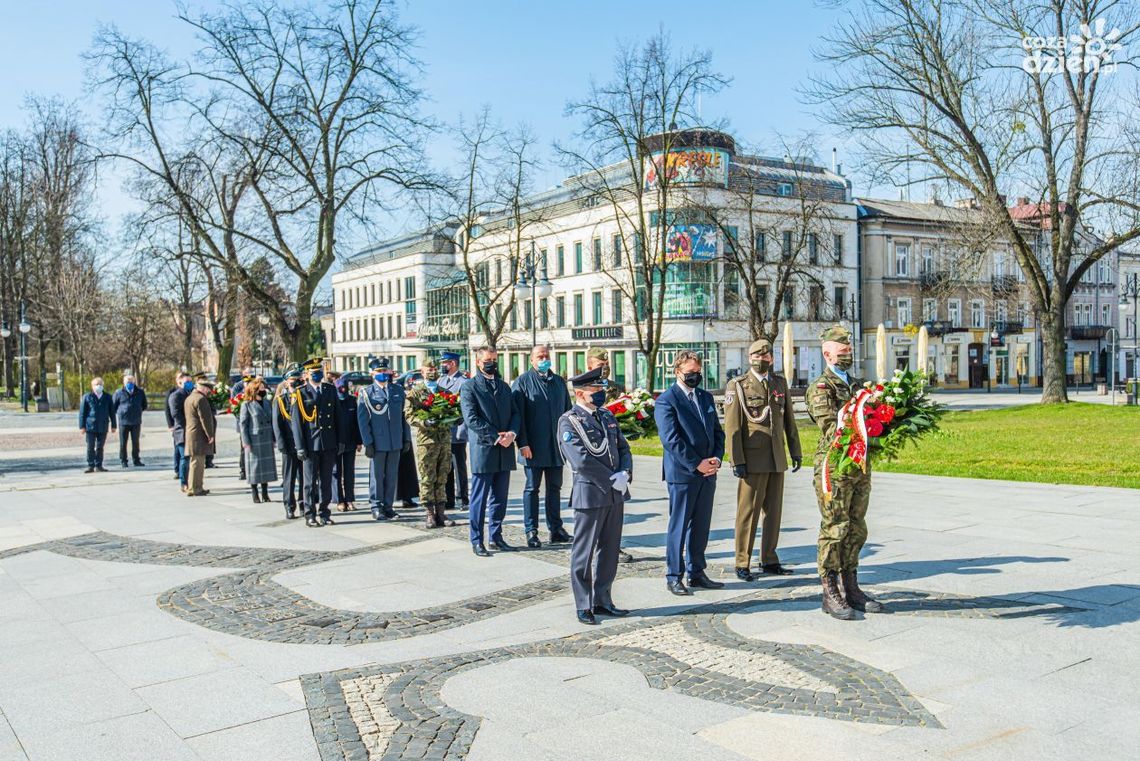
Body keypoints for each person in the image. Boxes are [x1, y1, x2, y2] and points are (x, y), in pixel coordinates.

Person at [805, 325, 884, 620]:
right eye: (842, 351)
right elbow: (831, 426)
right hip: (834, 469)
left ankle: (852, 586)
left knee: (856, 526)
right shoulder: (821, 388)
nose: (847, 354)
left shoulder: (859, 385)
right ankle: (830, 591)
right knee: (835, 528)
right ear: (827, 353)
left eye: (849, 350)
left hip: (859, 468)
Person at [559, 367, 633, 625]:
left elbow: (623, 447)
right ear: (580, 393)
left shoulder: (607, 416)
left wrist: (624, 473)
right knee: (584, 552)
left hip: (615, 493)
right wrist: (611, 480)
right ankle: (583, 604)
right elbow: (580, 460)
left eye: (601, 389)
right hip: (590, 494)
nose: (601, 393)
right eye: (595, 390)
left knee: (610, 550)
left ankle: (603, 600)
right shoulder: (569, 421)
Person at [724, 337, 803, 581]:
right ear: (750, 359)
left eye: (766, 357)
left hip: (776, 457)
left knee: (774, 513)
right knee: (748, 512)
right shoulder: (738, 385)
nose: (762, 360)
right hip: (752, 459)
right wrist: (736, 460)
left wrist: (795, 451)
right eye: (757, 357)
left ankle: (769, 558)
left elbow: (789, 421)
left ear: (772, 359)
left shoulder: (779, 383)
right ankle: (742, 561)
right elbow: (732, 426)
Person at [653, 350, 726, 596]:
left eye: (698, 372)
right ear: (677, 372)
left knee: (701, 524)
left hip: (708, 472)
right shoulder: (667, 400)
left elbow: (717, 431)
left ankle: (697, 571)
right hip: (683, 473)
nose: (695, 376)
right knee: (680, 525)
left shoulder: (705, 397)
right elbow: (671, 440)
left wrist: (716, 457)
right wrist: (697, 463)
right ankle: (674, 575)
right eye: (690, 373)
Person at [460, 346, 520, 556]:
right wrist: (496, 436)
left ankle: (496, 536)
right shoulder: (469, 387)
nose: (492, 363)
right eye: (487, 360)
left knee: (500, 498)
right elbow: (471, 419)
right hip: (485, 449)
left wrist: (512, 433)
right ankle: (477, 540)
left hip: (504, 450)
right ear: (478, 362)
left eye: (494, 359)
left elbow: (515, 413)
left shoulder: (504, 386)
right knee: (480, 498)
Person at [512, 344, 573, 548]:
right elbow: (517, 417)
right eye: (540, 356)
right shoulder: (522, 382)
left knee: (555, 489)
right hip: (533, 448)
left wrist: (568, 442)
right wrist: (523, 443)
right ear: (531, 360)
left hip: (555, 448)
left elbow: (568, 413)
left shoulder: (558, 382)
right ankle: (531, 530)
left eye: (546, 355)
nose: (544, 359)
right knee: (532, 489)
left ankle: (556, 529)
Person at [585, 347, 633, 564]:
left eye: (605, 366)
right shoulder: (582, 387)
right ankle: (593, 546)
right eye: (599, 365)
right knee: (596, 506)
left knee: (615, 505)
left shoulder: (615, 388)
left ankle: (615, 547)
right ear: (589, 366)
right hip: (595, 456)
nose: (603, 370)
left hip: (614, 452)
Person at [405, 359, 457, 528]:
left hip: (444, 441)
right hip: (427, 442)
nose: (432, 372)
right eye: (429, 369)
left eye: (434, 369)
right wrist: (425, 422)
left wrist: (455, 417)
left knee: (442, 476)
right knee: (428, 477)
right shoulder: (415, 392)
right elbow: (409, 415)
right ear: (422, 372)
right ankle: (429, 514)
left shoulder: (444, 392)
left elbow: (453, 410)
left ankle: (441, 513)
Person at [357, 357, 410, 521]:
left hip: (395, 441)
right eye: (379, 371)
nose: (382, 374)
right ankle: (376, 506)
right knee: (377, 476)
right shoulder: (366, 393)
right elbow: (363, 421)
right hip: (378, 442)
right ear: (372, 373)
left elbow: (404, 417)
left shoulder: (398, 390)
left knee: (392, 475)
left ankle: (388, 506)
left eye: (385, 371)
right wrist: (368, 442)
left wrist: (406, 438)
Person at [292, 357, 342, 527]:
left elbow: (337, 417)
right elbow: (297, 423)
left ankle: (324, 512)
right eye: (314, 372)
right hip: (310, 444)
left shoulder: (329, 389)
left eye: (319, 371)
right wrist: (299, 446)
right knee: (309, 482)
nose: (317, 374)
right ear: (306, 374)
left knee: (326, 480)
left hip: (328, 443)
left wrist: (340, 440)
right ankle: (309, 514)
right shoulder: (300, 393)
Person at [438, 351, 470, 512]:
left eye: (446, 362)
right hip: (444, 431)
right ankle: (448, 498)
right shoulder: (441, 380)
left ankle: (463, 498)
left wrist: (461, 425)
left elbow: (466, 407)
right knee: (446, 466)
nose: (443, 365)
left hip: (457, 430)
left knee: (459, 466)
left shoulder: (463, 382)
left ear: (454, 363)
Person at [239, 376, 278, 504]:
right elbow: (243, 424)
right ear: (254, 390)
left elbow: (272, 421)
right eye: (261, 388)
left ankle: (265, 493)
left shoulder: (267, 402)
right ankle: (255, 493)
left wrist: (273, 437)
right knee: (254, 467)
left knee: (266, 467)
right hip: (254, 439)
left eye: (264, 388)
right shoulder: (247, 404)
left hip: (266, 438)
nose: (263, 390)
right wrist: (246, 442)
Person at [273, 366, 304, 519]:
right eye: (293, 380)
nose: (296, 383)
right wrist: (282, 445)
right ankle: (289, 506)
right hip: (289, 445)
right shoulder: (280, 401)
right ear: (286, 383)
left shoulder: (304, 397)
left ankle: (304, 504)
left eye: (298, 380)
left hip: (304, 445)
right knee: (289, 478)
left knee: (305, 478)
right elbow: (277, 425)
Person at [331, 375, 362, 512]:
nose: (342, 390)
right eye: (340, 388)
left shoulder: (352, 401)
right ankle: (339, 500)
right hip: (336, 443)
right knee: (336, 472)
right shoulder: (332, 401)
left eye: (344, 388)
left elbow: (357, 423)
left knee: (349, 472)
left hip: (350, 441)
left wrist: (359, 441)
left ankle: (349, 499)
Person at [184, 376, 217, 496]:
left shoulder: (189, 398)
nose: (209, 391)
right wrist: (210, 434)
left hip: (192, 433)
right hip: (199, 435)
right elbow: (205, 419)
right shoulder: (201, 399)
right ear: (203, 388)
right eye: (208, 389)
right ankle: (195, 488)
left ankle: (196, 486)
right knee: (197, 463)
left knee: (195, 462)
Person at [78, 377, 114, 473]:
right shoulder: (87, 397)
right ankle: (90, 465)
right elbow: (82, 413)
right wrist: (82, 426)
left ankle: (99, 465)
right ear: (92, 386)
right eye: (96, 384)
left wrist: (114, 425)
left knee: (100, 447)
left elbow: (112, 412)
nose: (98, 386)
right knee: (90, 447)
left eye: (100, 384)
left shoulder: (108, 397)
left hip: (103, 425)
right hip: (90, 426)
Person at [111, 373, 148, 467]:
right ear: (124, 383)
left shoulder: (140, 392)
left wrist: (137, 411)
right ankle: (124, 460)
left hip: (136, 421)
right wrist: (121, 413)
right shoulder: (119, 393)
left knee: (135, 442)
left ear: (134, 382)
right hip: (123, 422)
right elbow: (113, 407)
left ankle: (136, 460)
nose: (130, 383)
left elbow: (144, 405)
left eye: (131, 381)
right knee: (123, 442)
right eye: (128, 382)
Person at [168, 373, 194, 492]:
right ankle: (184, 483)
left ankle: (191, 481)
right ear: (180, 383)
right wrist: (188, 424)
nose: (189, 383)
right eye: (186, 381)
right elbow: (176, 414)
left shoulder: (191, 394)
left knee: (190, 457)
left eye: (190, 381)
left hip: (191, 430)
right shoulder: (176, 396)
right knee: (184, 457)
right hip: (181, 430)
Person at [230, 371, 254, 481]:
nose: (248, 384)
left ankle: (253, 469)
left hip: (256, 425)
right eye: (246, 382)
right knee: (244, 448)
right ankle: (243, 470)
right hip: (243, 424)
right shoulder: (238, 391)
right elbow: (234, 407)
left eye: (250, 382)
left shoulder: (256, 392)